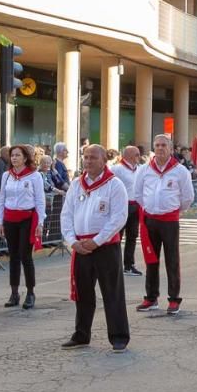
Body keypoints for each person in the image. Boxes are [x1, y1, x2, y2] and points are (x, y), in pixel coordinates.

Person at [59, 145, 131, 352]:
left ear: (103, 160)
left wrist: (97, 241)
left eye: (93, 157)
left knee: (112, 293)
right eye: (86, 157)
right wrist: (72, 241)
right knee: (83, 293)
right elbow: (66, 215)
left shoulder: (114, 185)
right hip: (81, 247)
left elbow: (119, 218)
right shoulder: (76, 185)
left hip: (105, 247)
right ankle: (81, 334)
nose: (88, 161)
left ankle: (118, 336)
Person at [134, 134, 194, 314]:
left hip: (169, 221)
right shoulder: (144, 170)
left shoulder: (180, 171)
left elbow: (187, 197)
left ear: (170, 149)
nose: (160, 148)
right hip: (150, 220)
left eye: (163, 145)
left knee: (172, 260)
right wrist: (150, 208)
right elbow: (138, 194)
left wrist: (174, 210)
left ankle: (174, 299)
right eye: (157, 145)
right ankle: (151, 298)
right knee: (151, 260)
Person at [0, 145, 46, 309]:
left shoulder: (34, 176)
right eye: (12, 155)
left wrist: (40, 222)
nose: (14, 158)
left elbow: (40, 200)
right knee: (14, 256)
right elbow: (1, 198)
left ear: (25, 158)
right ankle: (14, 292)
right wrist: (0, 221)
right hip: (10, 218)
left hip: (27, 218)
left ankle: (30, 292)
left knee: (26, 256)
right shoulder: (6, 176)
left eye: (18, 155)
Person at [110, 145, 143, 277]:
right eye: (136, 154)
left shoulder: (139, 169)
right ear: (129, 155)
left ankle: (129, 265)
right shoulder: (117, 169)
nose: (139, 157)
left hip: (136, 206)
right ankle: (114, 264)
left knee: (133, 236)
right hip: (122, 206)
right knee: (117, 236)